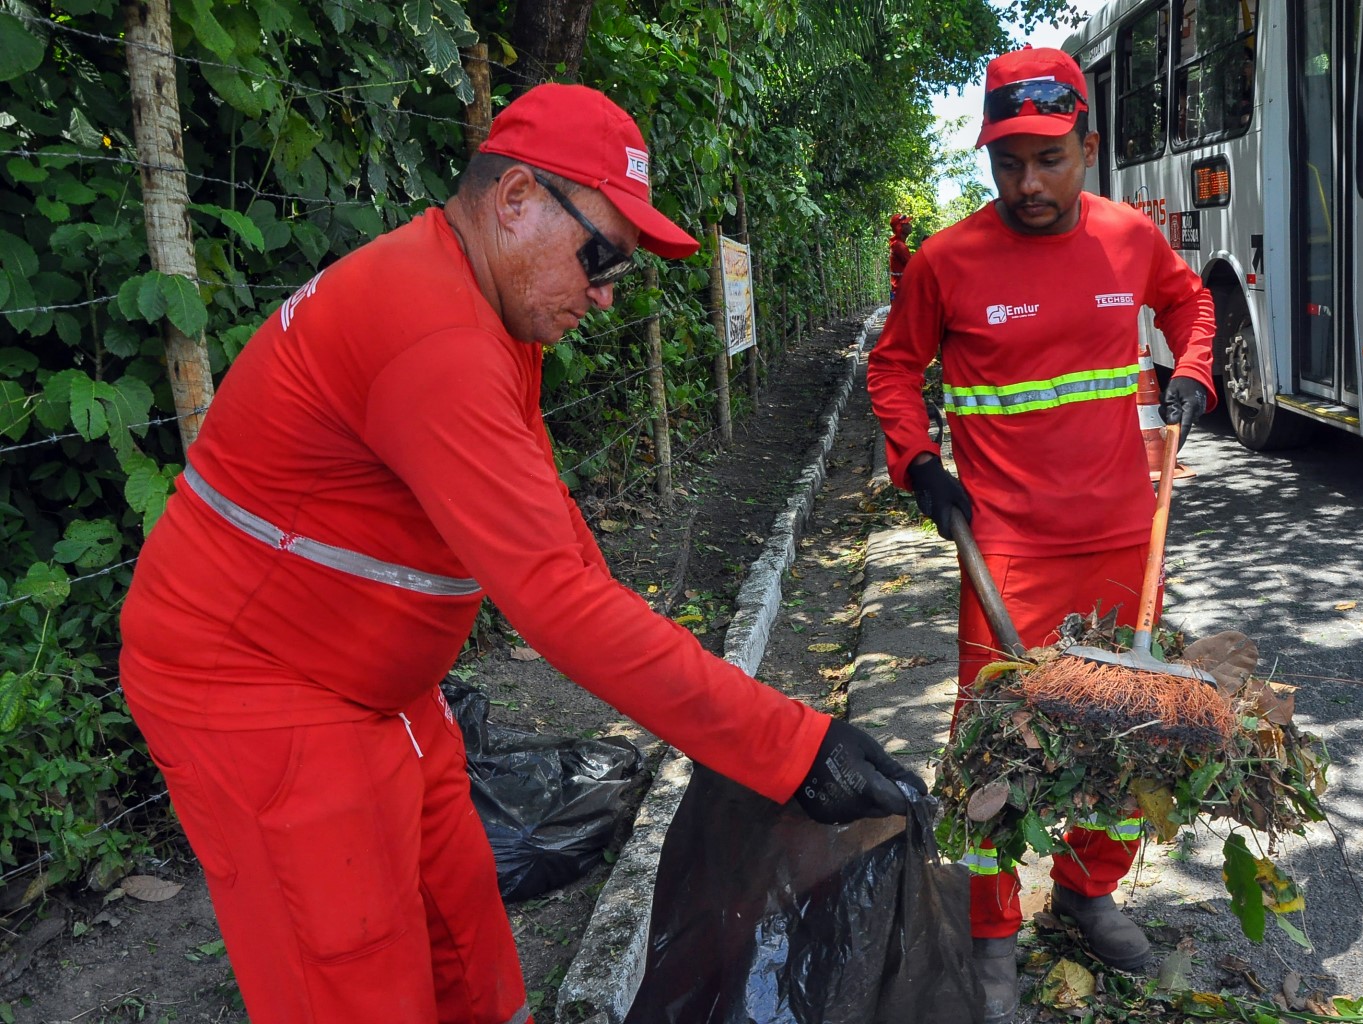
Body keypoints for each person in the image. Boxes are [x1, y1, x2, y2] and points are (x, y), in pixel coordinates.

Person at [118, 83, 923, 1024]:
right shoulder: (437, 336)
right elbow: (558, 605)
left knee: (465, 935)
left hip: (375, 685)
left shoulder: (477, 303)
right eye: (600, 256)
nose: (607, 291)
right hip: (259, 689)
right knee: (351, 974)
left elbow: (557, 548)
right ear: (515, 200)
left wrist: (759, 723)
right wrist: (793, 745)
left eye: (617, 269)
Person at [866, 45, 1215, 1022]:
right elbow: (894, 369)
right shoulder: (948, 261)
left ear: (1088, 146)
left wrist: (1193, 369)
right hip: (1005, 556)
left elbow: (1190, 301)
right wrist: (920, 463)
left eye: (1049, 159)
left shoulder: (1128, 239)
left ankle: (1086, 889)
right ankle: (988, 936)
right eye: (1007, 161)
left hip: (1120, 540)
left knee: (1121, 735)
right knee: (995, 753)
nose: (1027, 183)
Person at [888, 212, 913, 301]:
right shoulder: (900, 246)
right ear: (900, 228)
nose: (910, 225)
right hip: (902, 292)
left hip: (899, 291)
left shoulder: (897, 244)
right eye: (906, 223)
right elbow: (913, 266)